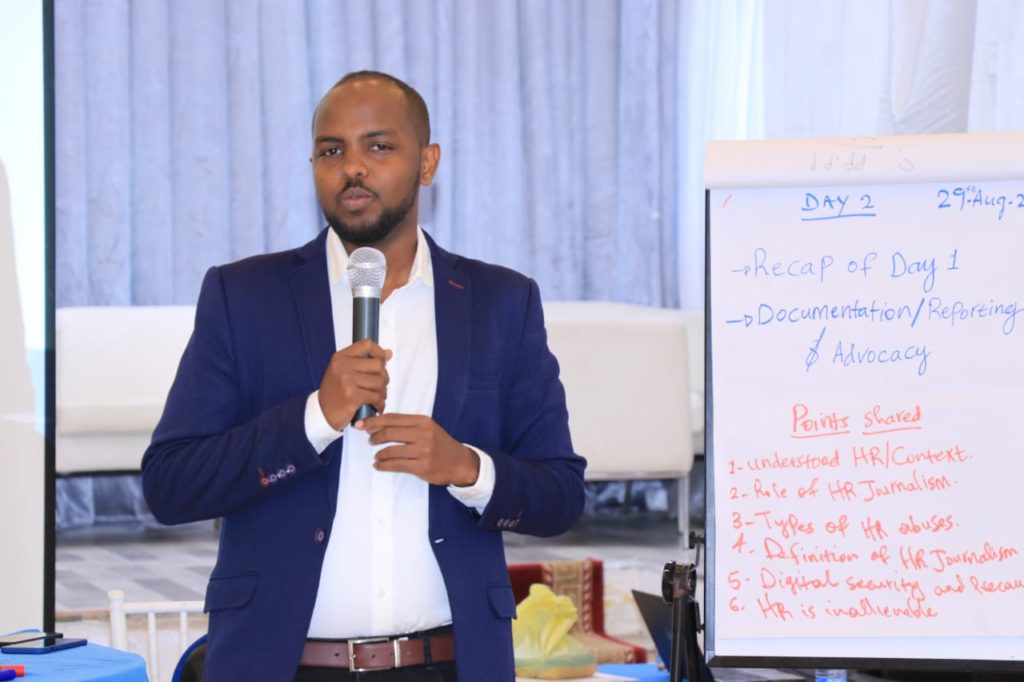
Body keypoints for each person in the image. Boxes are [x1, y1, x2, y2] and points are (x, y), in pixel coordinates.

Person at [141, 70, 586, 681]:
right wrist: (312, 419)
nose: (353, 167)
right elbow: (170, 485)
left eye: (379, 147)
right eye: (331, 151)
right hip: (282, 665)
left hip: (448, 665)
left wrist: (467, 468)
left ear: (427, 163)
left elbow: (560, 496)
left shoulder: (501, 302)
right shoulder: (243, 296)